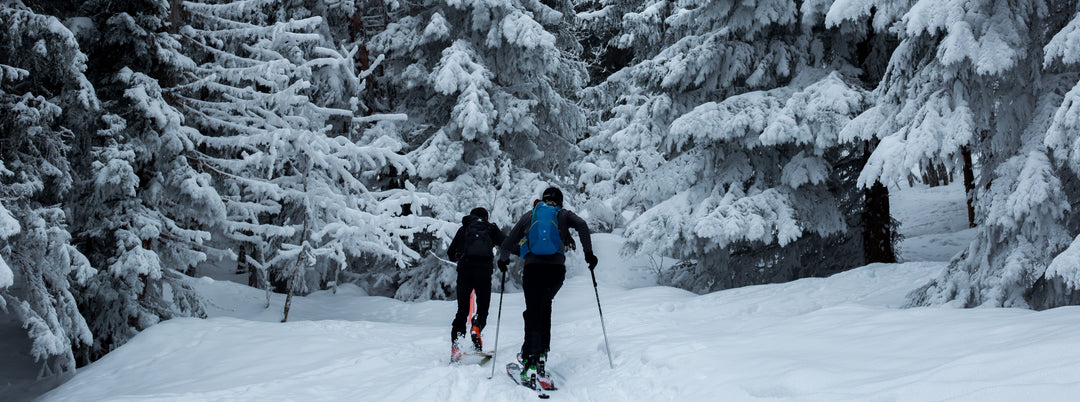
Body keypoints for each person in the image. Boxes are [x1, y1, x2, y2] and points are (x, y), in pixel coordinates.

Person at [498, 187, 597, 386]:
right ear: (560, 201)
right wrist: (589, 254)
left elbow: (509, 241)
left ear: (543, 200)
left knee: (533, 312)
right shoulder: (563, 214)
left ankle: (530, 362)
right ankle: (541, 356)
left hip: (533, 269)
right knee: (545, 309)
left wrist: (505, 259)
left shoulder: (531, 215)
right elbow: (583, 225)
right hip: (555, 272)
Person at [446, 207, 506, 361]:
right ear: (486, 217)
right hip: (484, 271)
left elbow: (451, 253)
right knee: (483, 307)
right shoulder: (490, 228)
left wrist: (459, 254)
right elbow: (507, 243)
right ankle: (476, 327)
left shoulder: (464, 228)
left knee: (462, 309)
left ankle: (456, 345)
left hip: (465, 271)